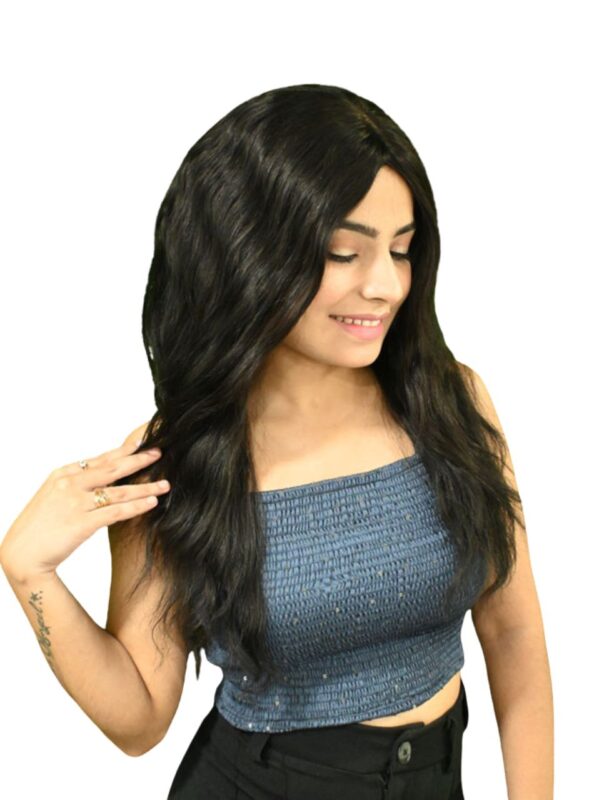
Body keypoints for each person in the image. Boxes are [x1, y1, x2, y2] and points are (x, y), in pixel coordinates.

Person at [0, 84, 553, 800]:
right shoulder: (179, 458)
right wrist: (30, 573)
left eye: (401, 249)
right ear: (251, 254)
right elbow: (138, 720)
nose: (385, 285)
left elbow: (512, 636)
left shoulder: (451, 401)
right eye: (343, 252)